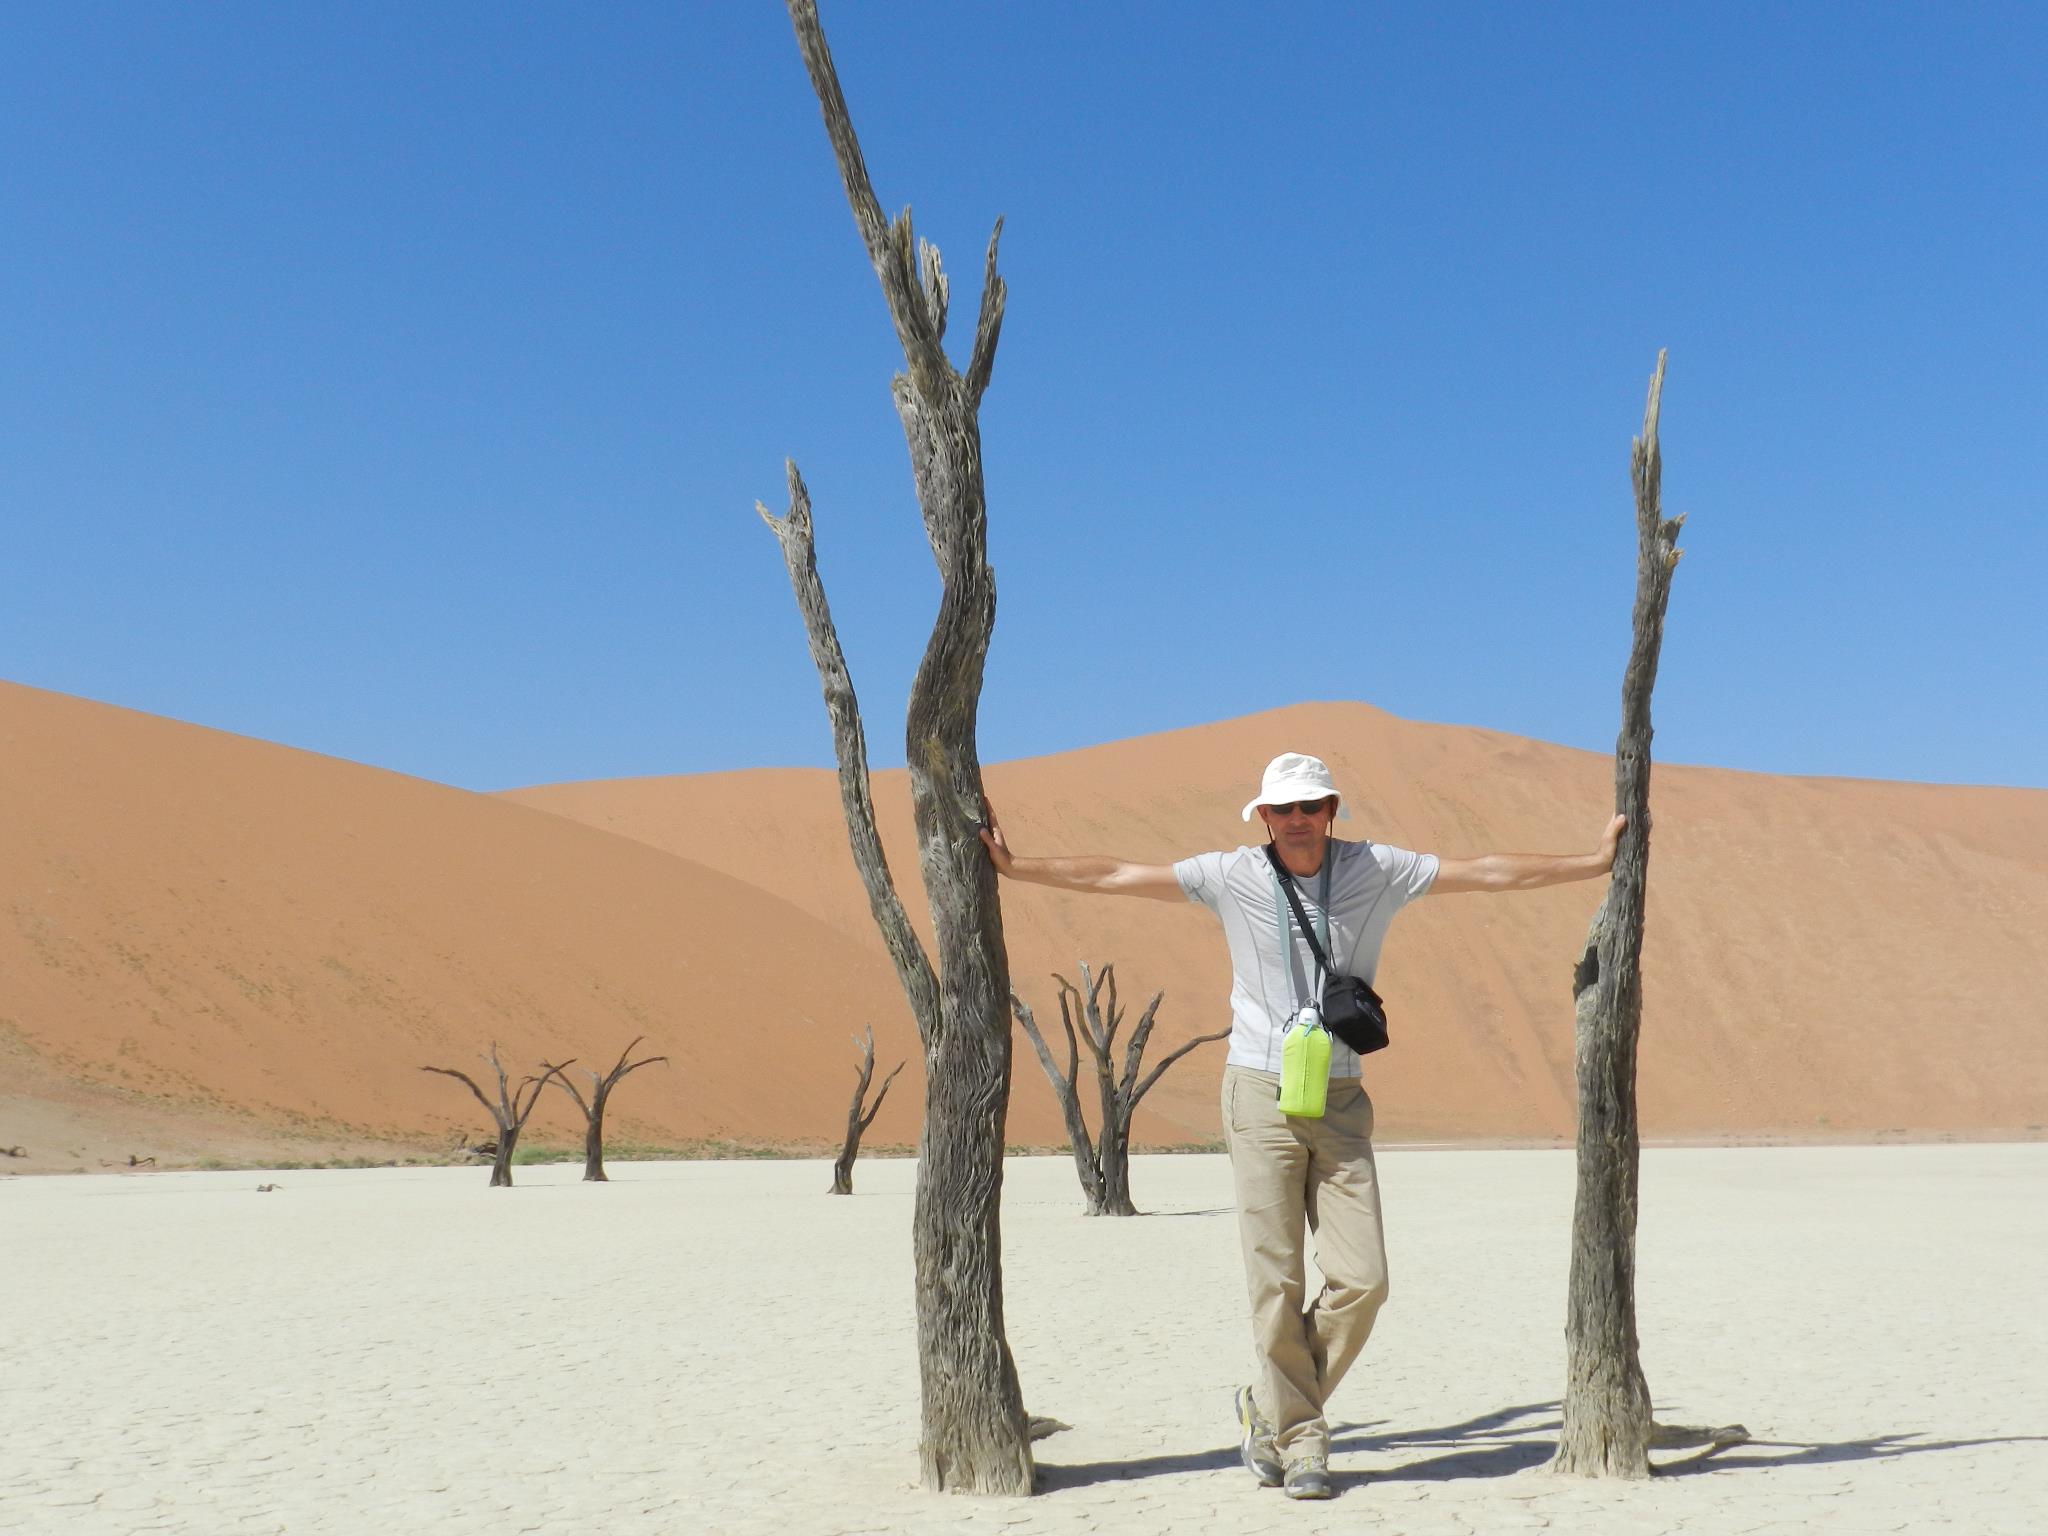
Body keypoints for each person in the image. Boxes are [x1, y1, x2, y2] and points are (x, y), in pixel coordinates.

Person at [979, 751, 1622, 1501]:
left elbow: (1486, 871)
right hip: (1259, 1093)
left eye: (1308, 807)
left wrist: (1591, 862)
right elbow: (1120, 875)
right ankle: (1302, 1439)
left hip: (1342, 1097)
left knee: (1365, 1280)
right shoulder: (1232, 877)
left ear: (1331, 808)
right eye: (1281, 810)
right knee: (1276, 1279)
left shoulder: (1378, 868)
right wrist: (1018, 868)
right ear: (1263, 817)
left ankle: (1270, 1404)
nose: (1296, 822)